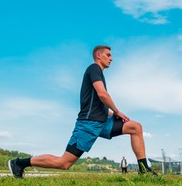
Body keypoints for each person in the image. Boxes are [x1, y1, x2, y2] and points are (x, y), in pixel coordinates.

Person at [8, 45, 156, 178]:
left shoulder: (98, 72)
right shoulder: (94, 68)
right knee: (64, 163)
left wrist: (109, 113)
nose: (111, 58)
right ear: (99, 55)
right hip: (89, 124)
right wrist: (117, 111)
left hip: (102, 122)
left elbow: (96, 100)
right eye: (108, 55)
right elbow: (102, 94)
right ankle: (19, 163)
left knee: (135, 127)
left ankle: (144, 170)